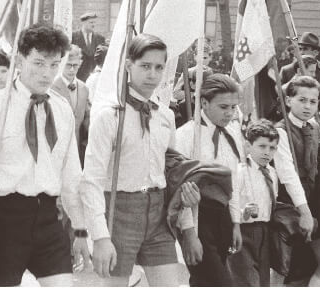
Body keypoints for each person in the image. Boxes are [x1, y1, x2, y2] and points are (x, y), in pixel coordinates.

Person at [0, 24, 91, 286]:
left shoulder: (62, 109)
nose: (47, 73)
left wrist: (81, 229)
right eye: (39, 63)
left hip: (49, 220)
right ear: (19, 59)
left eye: (54, 65)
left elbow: (72, 177)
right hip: (3, 220)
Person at [80, 33, 198, 287]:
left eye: (158, 67)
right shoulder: (109, 116)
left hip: (158, 213)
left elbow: (174, 174)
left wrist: (188, 228)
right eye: (145, 66)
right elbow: (91, 180)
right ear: (128, 66)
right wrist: (100, 236)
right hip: (119, 211)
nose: (152, 74)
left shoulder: (165, 116)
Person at [174, 74, 245, 286]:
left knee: (204, 283)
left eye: (233, 107)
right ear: (204, 103)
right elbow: (178, 188)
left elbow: (233, 182)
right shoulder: (186, 135)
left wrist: (235, 223)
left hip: (222, 216)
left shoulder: (232, 133)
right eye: (224, 107)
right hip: (197, 216)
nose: (230, 113)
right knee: (221, 284)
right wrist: (189, 233)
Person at [273, 76, 320, 285]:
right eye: (302, 100)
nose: (307, 106)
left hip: (309, 199)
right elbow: (288, 175)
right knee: (281, 264)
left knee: (304, 266)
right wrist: (305, 212)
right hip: (286, 204)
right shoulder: (281, 130)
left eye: (313, 101)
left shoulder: (313, 127)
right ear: (289, 100)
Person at [227, 119, 280, 286]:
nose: (267, 152)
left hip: (265, 231)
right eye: (262, 146)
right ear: (248, 146)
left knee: (263, 281)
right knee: (246, 280)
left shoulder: (272, 173)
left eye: (272, 148)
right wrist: (243, 213)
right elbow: (230, 204)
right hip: (244, 231)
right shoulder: (240, 171)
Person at [52, 44, 90, 167]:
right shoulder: (51, 87)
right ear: (61, 63)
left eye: (75, 65)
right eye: (68, 65)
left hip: (77, 151)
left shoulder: (84, 88)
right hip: (55, 151)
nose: (72, 70)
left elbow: (87, 119)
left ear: (80, 63)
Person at [72, 12, 106, 82]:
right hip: (77, 78)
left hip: (94, 80)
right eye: (91, 22)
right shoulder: (73, 37)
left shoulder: (100, 38)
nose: (93, 25)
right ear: (83, 23)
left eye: (94, 23)